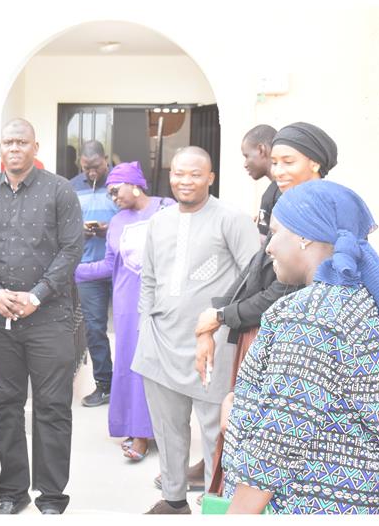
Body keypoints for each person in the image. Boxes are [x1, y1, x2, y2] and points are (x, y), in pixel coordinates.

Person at [222, 180, 379, 514]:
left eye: (274, 233)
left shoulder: (312, 316)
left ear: (304, 236)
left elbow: (279, 438)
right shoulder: (358, 299)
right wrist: (238, 404)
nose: (268, 248)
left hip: (303, 504)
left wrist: (236, 515)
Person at [195, 121, 338, 494]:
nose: (278, 171)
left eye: (287, 161)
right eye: (275, 162)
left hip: (295, 338)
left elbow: (283, 287)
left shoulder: (325, 210)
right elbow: (260, 266)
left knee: (271, 440)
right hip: (261, 328)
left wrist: (224, 315)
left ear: (316, 164)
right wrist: (220, 311)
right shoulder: (279, 197)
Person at [132, 146, 260, 514]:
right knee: (168, 428)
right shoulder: (159, 220)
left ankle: (214, 503)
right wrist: (146, 324)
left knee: (213, 430)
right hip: (159, 340)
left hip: (212, 343)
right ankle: (173, 499)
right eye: (178, 174)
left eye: (194, 174)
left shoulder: (231, 220)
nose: (185, 181)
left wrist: (223, 321)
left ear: (210, 178)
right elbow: (150, 279)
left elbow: (254, 279)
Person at [0, 118, 83, 515]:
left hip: (50, 318)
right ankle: (12, 494)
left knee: (51, 407)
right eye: (7, 142)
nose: (14, 148)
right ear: (0, 148)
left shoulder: (59, 191)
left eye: (21, 142)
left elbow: (71, 251)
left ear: (35, 146)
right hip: (0, 320)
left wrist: (37, 295)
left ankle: (51, 498)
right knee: (6, 406)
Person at [75, 161, 175, 461]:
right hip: (128, 306)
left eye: (116, 190)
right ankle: (139, 433)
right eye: (110, 193)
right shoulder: (117, 221)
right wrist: (70, 270)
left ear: (134, 185)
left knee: (164, 368)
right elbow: (108, 265)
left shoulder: (166, 209)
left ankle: (165, 431)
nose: (113, 197)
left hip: (164, 303)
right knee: (133, 368)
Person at [68, 141, 119, 408]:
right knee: (95, 329)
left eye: (96, 167)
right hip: (88, 268)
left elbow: (134, 215)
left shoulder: (121, 182)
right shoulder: (71, 186)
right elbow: (62, 224)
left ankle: (126, 386)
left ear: (106, 160)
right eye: (86, 168)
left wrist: (111, 229)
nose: (91, 173)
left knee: (127, 328)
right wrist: (80, 231)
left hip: (120, 267)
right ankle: (104, 385)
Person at [240, 124, 281, 237]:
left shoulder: (281, 192)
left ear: (261, 150)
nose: (245, 164)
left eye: (246, 156)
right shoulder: (273, 191)